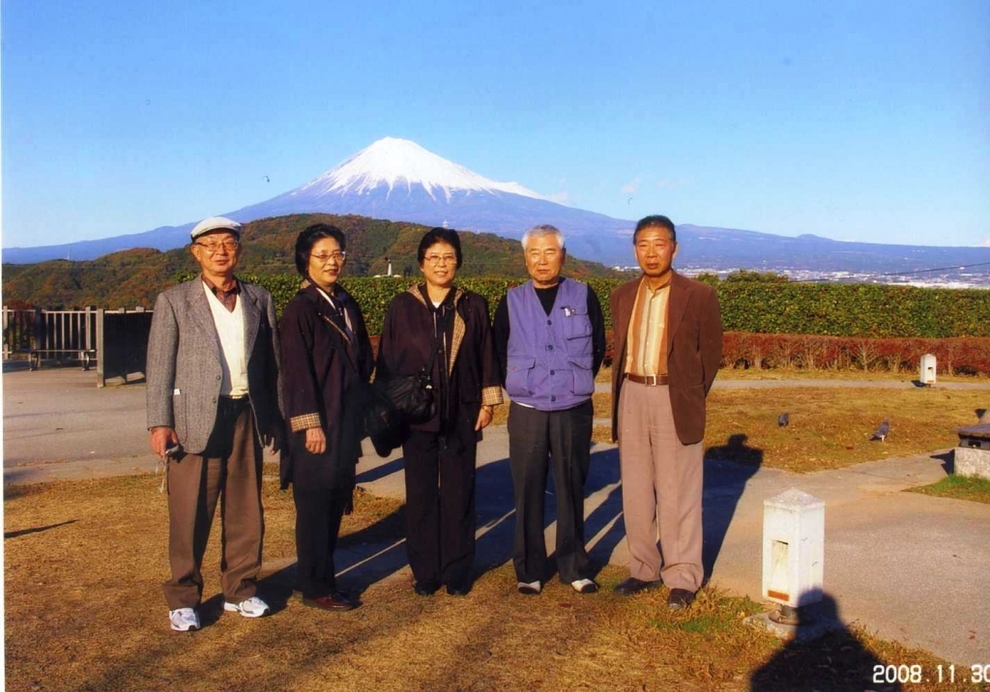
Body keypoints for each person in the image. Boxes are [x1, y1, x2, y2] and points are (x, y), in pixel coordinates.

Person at [146, 216, 282, 632]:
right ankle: (184, 597)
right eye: (211, 244)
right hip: (194, 418)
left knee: (245, 508)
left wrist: (273, 413)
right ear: (196, 252)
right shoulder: (174, 300)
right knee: (190, 511)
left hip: (246, 412)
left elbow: (271, 362)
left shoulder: (259, 298)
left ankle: (240, 589)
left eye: (228, 243)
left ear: (239, 250)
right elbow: (159, 365)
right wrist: (159, 423)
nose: (220, 251)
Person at [376, 227, 503, 596]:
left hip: (462, 413)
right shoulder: (402, 305)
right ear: (420, 264)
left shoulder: (472, 304)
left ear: (458, 262)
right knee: (420, 494)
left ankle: (459, 569)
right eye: (433, 258)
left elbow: (486, 355)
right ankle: (425, 571)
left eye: (448, 257)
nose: (441, 264)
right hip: (416, 417)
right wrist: (386, 409)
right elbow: (387, 359)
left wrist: (487, 403)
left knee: (459, 491)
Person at [609, 215, 722, 610]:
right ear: (634, 248)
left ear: (674, 247)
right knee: (636, 487)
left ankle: (683, 575)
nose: (651, 252)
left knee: (679, 491)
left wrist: (688, 393)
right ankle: (643, 567)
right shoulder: (622, 295)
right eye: (643, 244)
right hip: (631, 393)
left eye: (659, 243)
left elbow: (710, 355)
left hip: (674, 395)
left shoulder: (699, 295)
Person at [493, 225, 606, 595]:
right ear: (525, 258)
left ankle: (574, 565)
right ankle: (529, 569)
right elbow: (498, 351)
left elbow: (598, 347)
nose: (542, 261)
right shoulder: (510, 301)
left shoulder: (584, 295)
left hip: (573, 407)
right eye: (534, 254)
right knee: (527, 488)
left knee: (572, 485)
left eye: (549, 252)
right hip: (527, 407)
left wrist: (573, 382)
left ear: (563, 254)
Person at [277, 224, 374, 612]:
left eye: (338, 254)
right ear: (305, 261)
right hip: (317, 425)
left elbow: (363, 355)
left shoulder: (345, 302)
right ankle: (314, 585)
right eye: (323, 255)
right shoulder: (301, 309)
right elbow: (295, 372)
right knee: (315, 506)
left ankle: (322, 578)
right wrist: (309, 423)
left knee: (334, 501)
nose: (332, 262)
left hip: (344, 420)